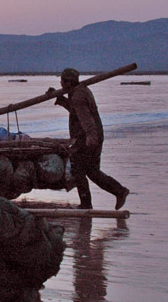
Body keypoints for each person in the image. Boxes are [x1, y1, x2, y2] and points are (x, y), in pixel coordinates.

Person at [55, 68, 129, 210]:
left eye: (62, 82)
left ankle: (86, 204)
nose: (61, 85)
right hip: (94, 135)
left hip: (86, 138)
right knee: (93, 172)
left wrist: (90, 138)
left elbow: (86, 119)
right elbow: (76, 111)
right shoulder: (81, 91)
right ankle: (119, 191)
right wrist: (62, 100)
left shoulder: (78, 96)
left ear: (68, 82)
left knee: (78, 170)